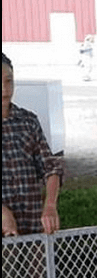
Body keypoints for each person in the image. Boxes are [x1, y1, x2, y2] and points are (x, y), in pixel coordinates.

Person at [2, 52, 64, 236]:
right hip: (6, 231)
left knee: (41, 265)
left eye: (8, 81)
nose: (4, 89)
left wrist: (50, 206)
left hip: (34, 230)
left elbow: (51, 168)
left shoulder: (28, 121)